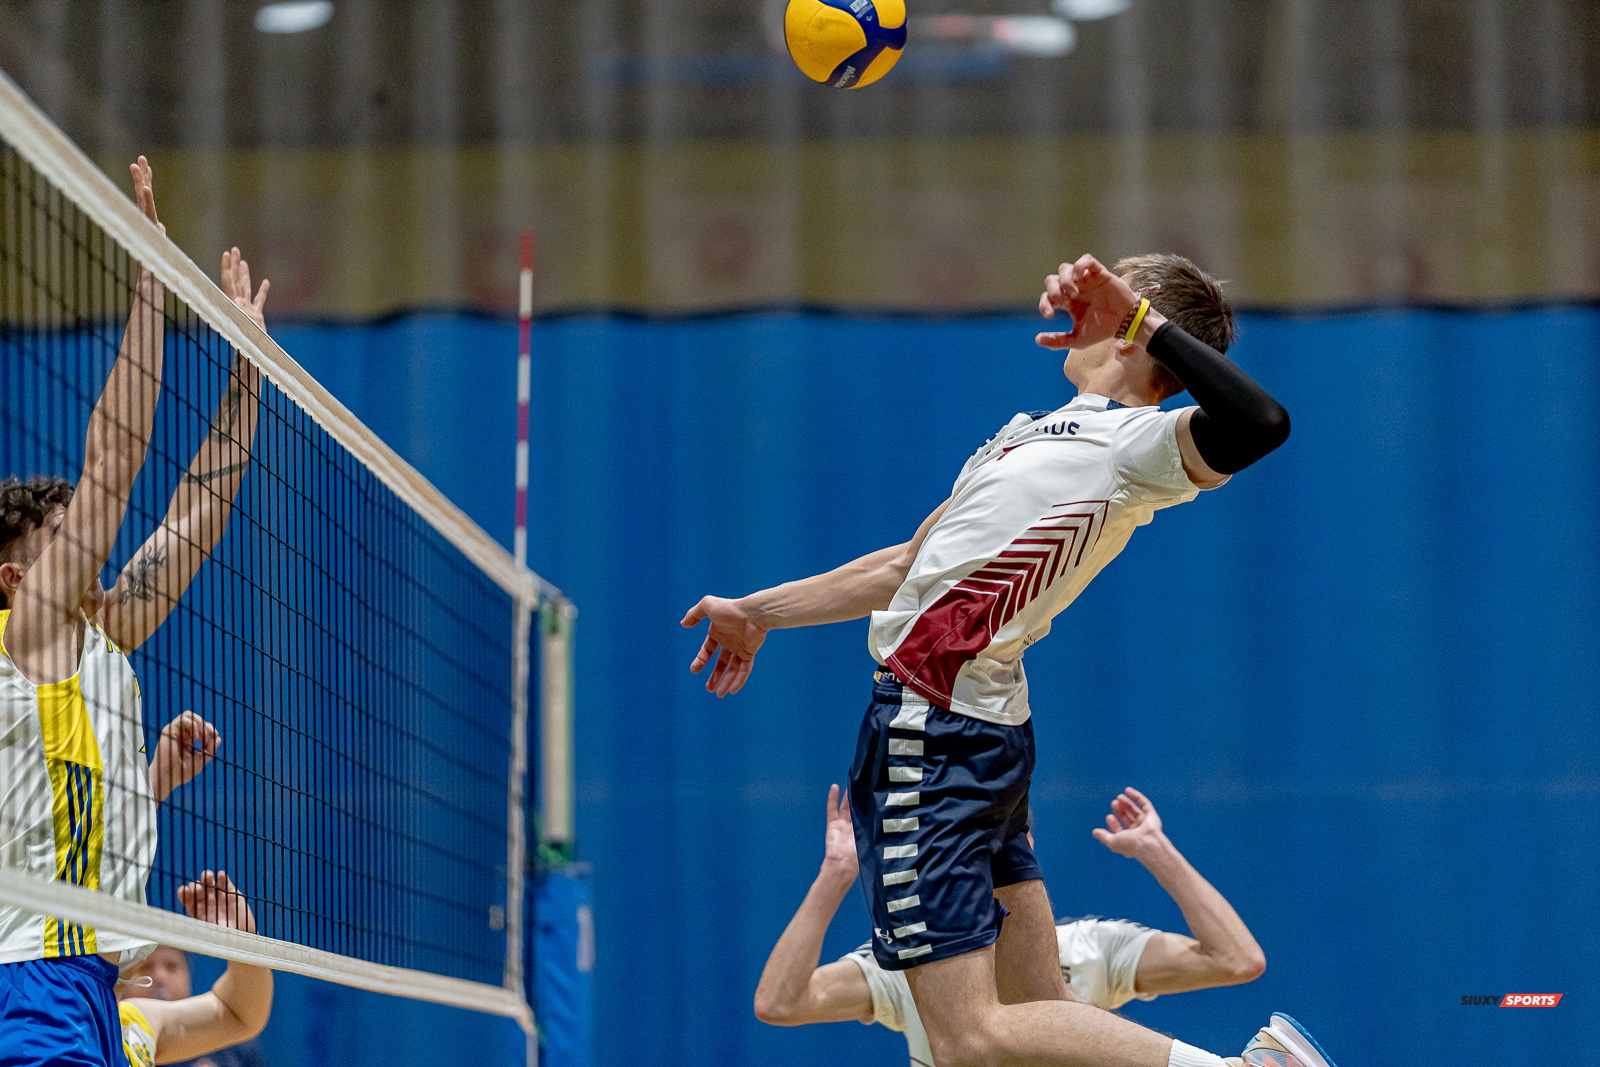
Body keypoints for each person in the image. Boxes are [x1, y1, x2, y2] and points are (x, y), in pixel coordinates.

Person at [684, 255, 1333, 1067]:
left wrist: (1138, 315)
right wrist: (758, 612)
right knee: (1036, 1015)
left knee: (967, 1037)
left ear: (1135, 326)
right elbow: (906, 567)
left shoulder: (1137, 445)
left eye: (1111, 293)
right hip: (978, 732)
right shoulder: (1023, 432)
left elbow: (1261, 424)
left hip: (933, 727)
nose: (1077, 298)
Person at [0, 155, 271, 1066]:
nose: (93, 540)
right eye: (63, 535)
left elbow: (191, 513)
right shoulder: (26, 635)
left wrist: (251, 369)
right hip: (29, 983)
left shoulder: (93, 641)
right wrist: (150, 275)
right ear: (14, 581)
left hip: (83, 989)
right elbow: (113, 460)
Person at [754, 786, 1266, 1067]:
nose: (977, 866)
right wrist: (836, 874)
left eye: (999, 848)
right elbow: (780, 1003)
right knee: (972, 1038)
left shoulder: (1089, 949)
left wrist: (1159, 853)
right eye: (960, 854)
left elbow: (1236, 960)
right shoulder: (914, 969)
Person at [116, 871, 271, 1067]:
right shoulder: (77, 1026)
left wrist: (245, 943)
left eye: (171, 967)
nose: (160, 978)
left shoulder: (135, 1023)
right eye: (146, 967)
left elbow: (239, 1012)